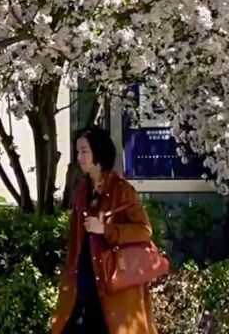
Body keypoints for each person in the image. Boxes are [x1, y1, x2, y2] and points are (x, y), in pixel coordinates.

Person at [49, 127, 158, 334]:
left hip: (111, 285)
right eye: (77, 152)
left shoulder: (121, 190)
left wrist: (106, 229)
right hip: (82, 283)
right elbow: (76, 239)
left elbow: (144, 231)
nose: (79, 157)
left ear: (97, 153)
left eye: (84, 151)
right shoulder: (82, 188)